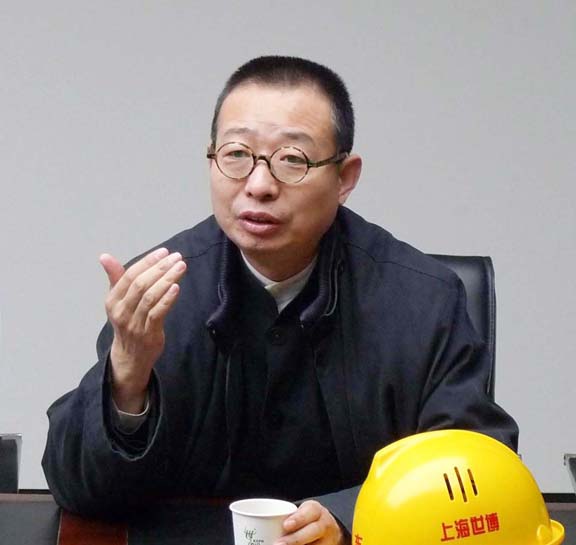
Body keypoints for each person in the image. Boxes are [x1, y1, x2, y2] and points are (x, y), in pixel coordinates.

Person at [42, 56, 518, 545]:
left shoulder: (422, 298)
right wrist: (127, 371)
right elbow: (78, 490)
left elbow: (476, 469)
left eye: (293, 160)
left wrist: (350, 516)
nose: (259, 186)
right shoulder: (162, 290)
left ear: (345, 177)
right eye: (236, 154)